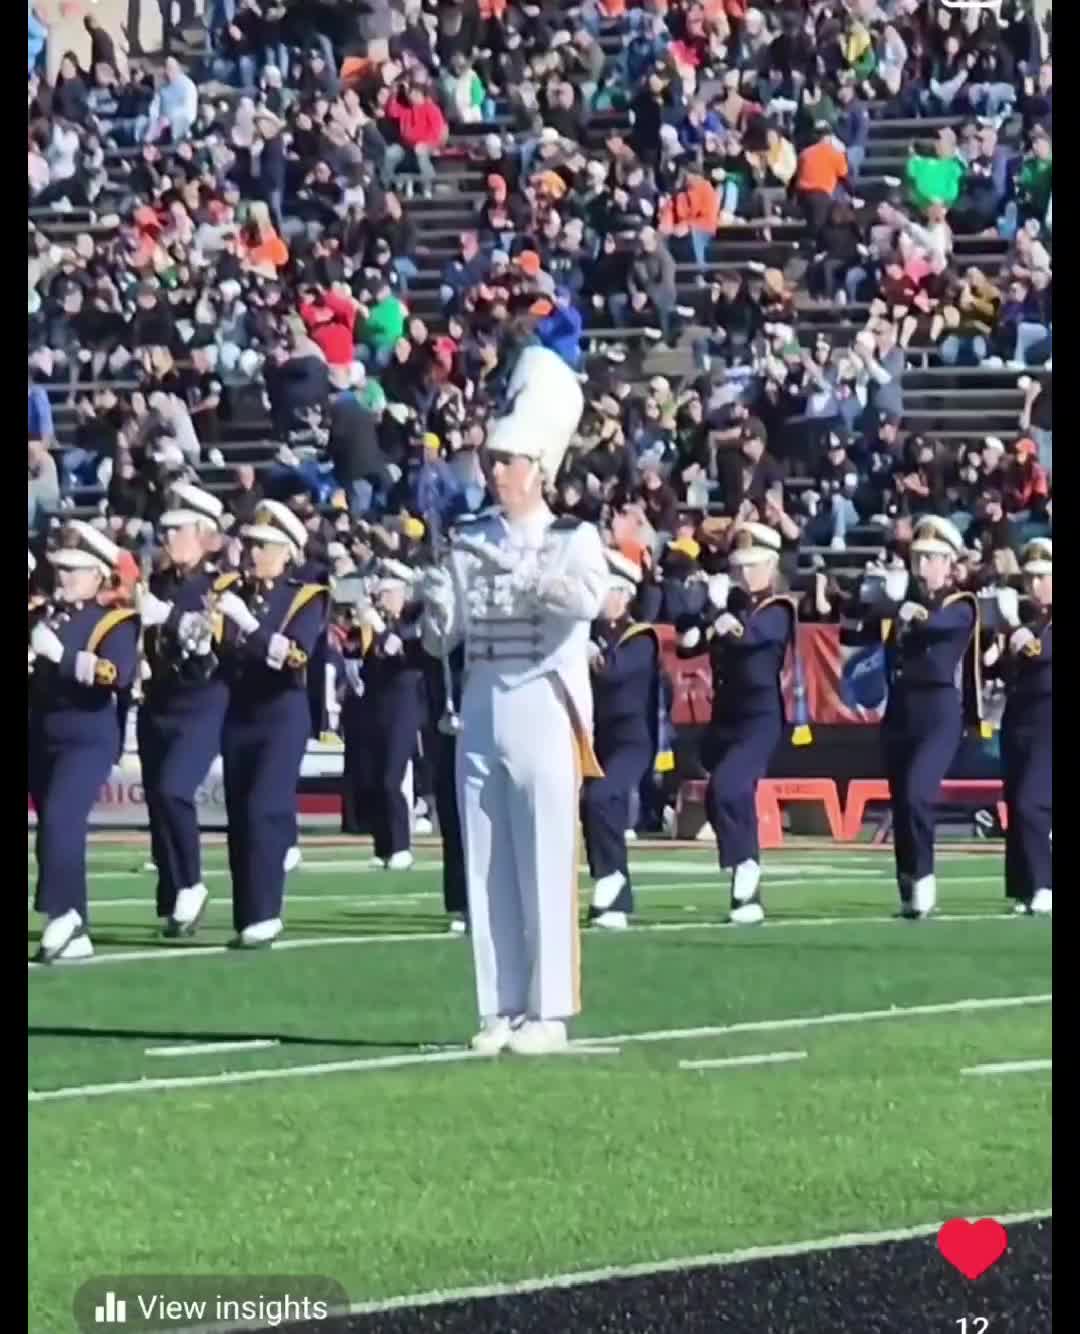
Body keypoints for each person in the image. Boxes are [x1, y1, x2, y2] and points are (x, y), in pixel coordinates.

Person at [418, 346, 608, 1056]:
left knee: (545, 855)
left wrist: (528, 578)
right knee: (487, 857)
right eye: (492, 460)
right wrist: (436, 608)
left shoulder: (573, 538)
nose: (495, 472)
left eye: (508, 460)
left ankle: (549, 1008)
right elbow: (447, 638)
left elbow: (586, 602)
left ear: (540, 469)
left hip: (544, 703)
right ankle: (499, 1004)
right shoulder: (469, 541)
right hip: (482, 701)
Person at [675, 524, 811, 925]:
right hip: (725, 719)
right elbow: (690, 645)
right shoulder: (732, 604)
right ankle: (740, 867)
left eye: (753, 567)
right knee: (718, 796)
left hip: (760, 717)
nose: (745, 575)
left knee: (730, 785)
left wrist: (719, 613)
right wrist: (697, 610)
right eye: (740, 567)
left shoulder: (778, 609)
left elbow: (747, 637)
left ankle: (747, 873)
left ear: (770, 567)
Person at [215, 501, 329, 946]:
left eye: (262, 545)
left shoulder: (306, 597)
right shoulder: (234, 591)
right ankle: (247, 914)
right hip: (238, 708)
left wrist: (249, 627)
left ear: (287, 552)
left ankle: (266, 911)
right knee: (240, 814)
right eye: (249, 543)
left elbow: (297, 657)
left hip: (281, 712)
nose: (251, 552)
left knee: (264, 805)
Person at [861, 517, 986, 919]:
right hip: (902, 709)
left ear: (950, 563)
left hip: (939, 712)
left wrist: (911, 612)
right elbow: (857, 624)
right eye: (918, 557)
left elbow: (938, 625)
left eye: (931, 558)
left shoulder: (961, 605)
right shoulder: (903, 604)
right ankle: (907, 886)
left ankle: (926, 880)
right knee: (901, 801)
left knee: (917, 792)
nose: (922, 566)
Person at [29, 522, 139, 963]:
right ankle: (77, 924)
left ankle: (61, 913)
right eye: (61, 569)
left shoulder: (114, 621)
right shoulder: (42, 616)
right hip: (41, 733)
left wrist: (60, 656)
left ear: (97, 575)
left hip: (87, 735)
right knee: (51, 832)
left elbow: (116, 674)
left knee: (60, 821)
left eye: (75, 570)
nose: (65, 578)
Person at [136, 483, 230, 936]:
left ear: (205, 536)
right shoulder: (158, 583)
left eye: (180, 532)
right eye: (167, 532)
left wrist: (166, 617)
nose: (170, 541)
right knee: (157, 799)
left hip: (202, 699)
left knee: (175, 790)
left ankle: (191, 882)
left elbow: (208, 636)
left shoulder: (217, 584)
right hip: (159, 699)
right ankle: (175, 891)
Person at [581, 550, 670, 929]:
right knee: (599, 809)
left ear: (623, 595)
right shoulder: (590, 635)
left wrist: (588, 656)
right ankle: (616, 891)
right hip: (600, 736)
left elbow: (613, 672)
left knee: (601, 797)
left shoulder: (641, 638)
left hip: (634, 739)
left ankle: (611, 877)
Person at [342, 560, 425, 872]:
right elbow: (356, 652)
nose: (381, 600)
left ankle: (402, 845)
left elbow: (401, 650)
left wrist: (377, 625)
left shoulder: (413, 620)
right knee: (374, 776)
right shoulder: (372, 623)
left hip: (403, 703)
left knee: (392, 776)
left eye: (388, 593)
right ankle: (383, 845)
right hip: (374, 701)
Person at [989, 539, 1052, 916]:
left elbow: (1037, 653)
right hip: (1021, 714)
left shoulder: (1033, 628)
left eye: (1042, 577)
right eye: (1029, 578)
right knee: (1015, 800)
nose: (1034, 586)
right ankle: (1025, 886)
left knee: (1032, 801)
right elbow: (1008, 667)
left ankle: (1045, 882)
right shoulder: (1033, 623)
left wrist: (1013, 628)